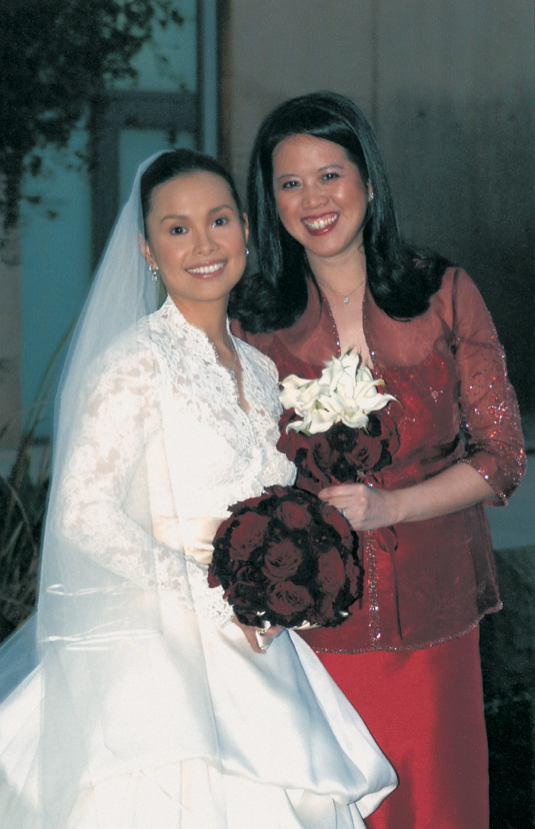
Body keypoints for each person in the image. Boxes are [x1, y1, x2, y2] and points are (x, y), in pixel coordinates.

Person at [0, 149, 397, 828]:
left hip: (258, 644)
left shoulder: (261, 368)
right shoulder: (130, 363)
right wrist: (211, 600)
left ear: (244, 227)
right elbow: (82, 511)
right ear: (147, 249)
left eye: (217, 220)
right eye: (177, 228)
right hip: (157, 654)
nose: (203, 243)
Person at [230, 91, 527, 829]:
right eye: (289, 183)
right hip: (310, 626)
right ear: (269, 201)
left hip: (433, 618)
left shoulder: (442, 293)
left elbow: (501, 458)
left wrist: (393, 505)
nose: (313, 199)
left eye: (329, 174)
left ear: (366, 177)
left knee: (436, 807)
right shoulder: (253, 321)